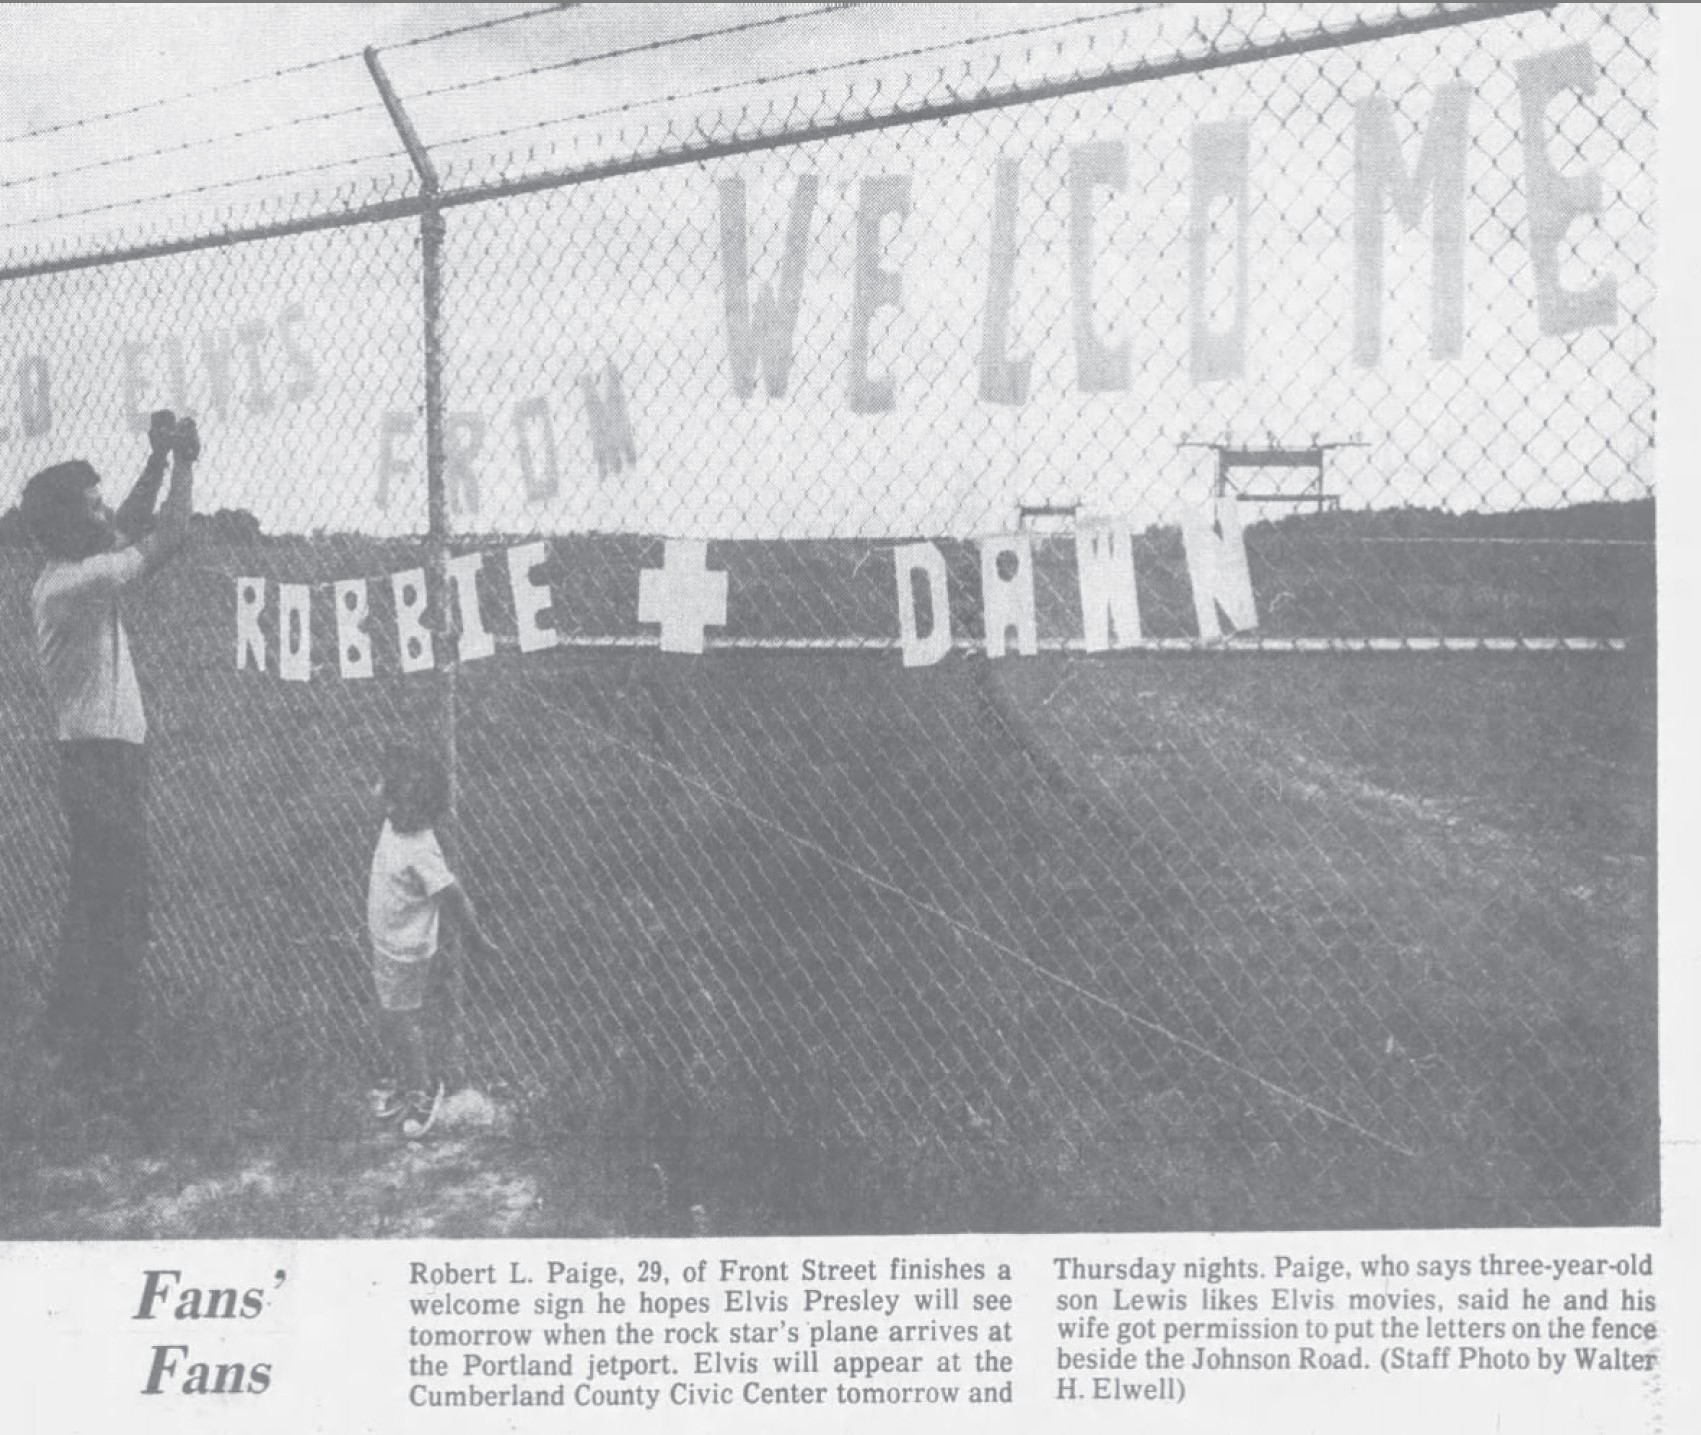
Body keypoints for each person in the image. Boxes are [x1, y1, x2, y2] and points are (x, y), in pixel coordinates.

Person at [20, 411, 198, 1084]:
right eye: (91, 506)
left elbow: (121, 524)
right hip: (102, 762)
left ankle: (69, 1036)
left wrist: (155, 459)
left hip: (98, 758)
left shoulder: (69, 570)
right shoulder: (75, 583)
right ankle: (109, 1054)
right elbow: (169, 535)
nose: (104, 512)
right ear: (69, 524)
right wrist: (186, 461)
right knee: (121, 909)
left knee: (95, 901)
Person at [366, 741, 495, 1139]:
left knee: (401, 1020)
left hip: (404, 952)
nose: (389, 811)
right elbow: (379, 789)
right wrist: (390, 786)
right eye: (389, 801)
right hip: (386, 941)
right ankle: (408, 1080)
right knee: (392, 1016)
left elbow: (453, 894)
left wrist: (476, 937)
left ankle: (421, 1091)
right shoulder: (396, 822)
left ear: (423, 811)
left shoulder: (420, 849)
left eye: (399, 806)